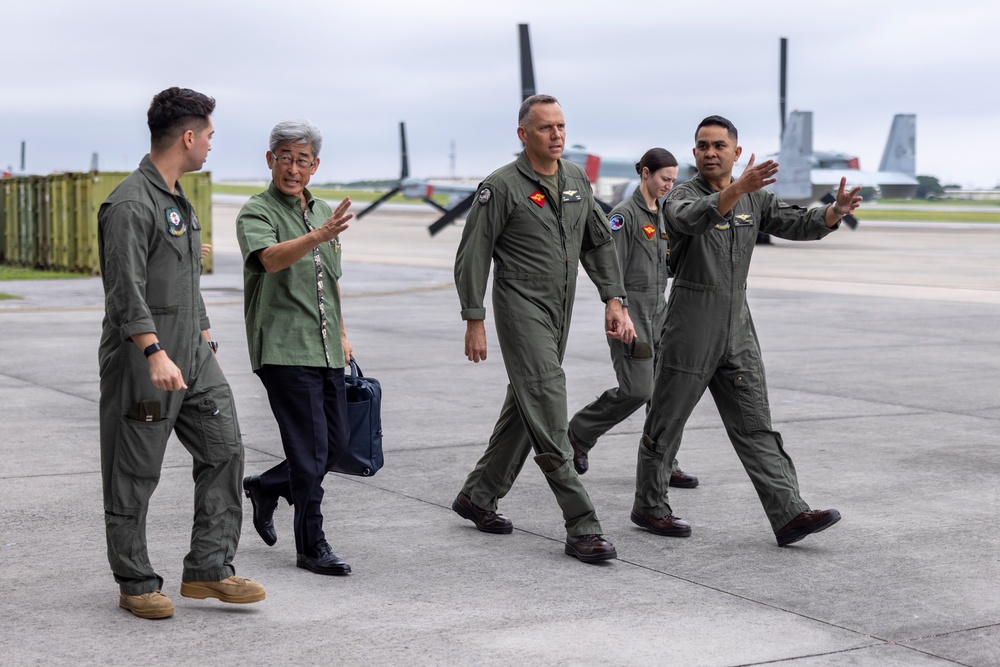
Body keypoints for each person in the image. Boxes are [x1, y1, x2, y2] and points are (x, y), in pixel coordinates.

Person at [632, 115, 861, 546]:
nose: (710, 152)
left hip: (737, 326)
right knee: (667, 421)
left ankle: (789, 513)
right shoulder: (681, 194)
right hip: (690, 325)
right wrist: (738, 189)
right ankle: (649, 505)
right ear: (694, 153)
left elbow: (797, 222)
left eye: (719, 145)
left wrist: (834, 212)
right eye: (702, 146)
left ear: (736, 153)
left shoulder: (754, 199)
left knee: (755, 423)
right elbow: (687, 220)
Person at [97, 87, 265, 620]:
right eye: (210, 135)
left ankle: (210, 570)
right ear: (188, 137)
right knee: (135, 470)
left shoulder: (177, 199)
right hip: (146, 358)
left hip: (193, 351)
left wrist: (204, 330)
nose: (212, 145)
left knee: (225, 448)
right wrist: (153, 351)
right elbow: (125, 289)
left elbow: (180, 279)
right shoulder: (129, 202)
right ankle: (135, 580)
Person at [452, 94, 635, 563]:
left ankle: (478, 495)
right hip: (520, 304)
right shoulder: (502, 186)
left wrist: (613, 299)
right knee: (549, 402)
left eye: (560, 126)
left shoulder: (575, 179)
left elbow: (597, 241)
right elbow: (472, 254)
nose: (556, 135)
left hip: (561, 306)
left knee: (526, 403)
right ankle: (582, 524)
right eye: (545, 128)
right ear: (523, 134)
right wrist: (475, 318)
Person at [237, 120, 355, 576]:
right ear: (270, 160)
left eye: (301, 159)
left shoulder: (322, 208)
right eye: (284, 156)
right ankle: (312, 546)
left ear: (315, 166)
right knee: (308, 454)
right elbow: (269, 259)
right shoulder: (256, 210)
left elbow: (332, 278)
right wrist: (317, 236)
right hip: (284, 348)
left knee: (336, 446)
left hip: (326, 347)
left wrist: (342, 333)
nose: (292, 166)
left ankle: (266, 486)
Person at [568, 148, 698, 490]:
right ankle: (579, 433)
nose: (669, 185)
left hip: (660, 312)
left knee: (666, 395)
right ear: (645, 174)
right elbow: (612, 269)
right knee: (637, 389)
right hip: (632, 315)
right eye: (663, 178)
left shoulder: (664, 215)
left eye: (673, 179)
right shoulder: (623, 217)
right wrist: (619, 311)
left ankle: (665, 464)